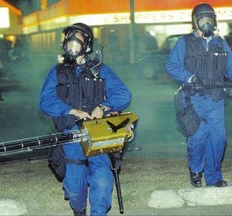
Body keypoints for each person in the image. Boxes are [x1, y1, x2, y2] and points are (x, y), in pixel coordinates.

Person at [39, 23, 132, 216]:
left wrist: (103, 107)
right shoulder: (57, 72)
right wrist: (70, 110)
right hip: (70, 134)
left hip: (97, 133)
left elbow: (123, 94)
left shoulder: (100, 70)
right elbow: (45, 101)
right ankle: (79, 210)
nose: (72, 48)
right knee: (75, 185)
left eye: (77, 43)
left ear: (87, 46)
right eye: (69, 43)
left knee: (102, 179)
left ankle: (98, 212)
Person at [166, 3, 232, 187]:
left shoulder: (220, 42)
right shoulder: (184, 42)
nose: (207, 23)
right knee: (198, 135)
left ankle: (213, 177)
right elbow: (172, 66)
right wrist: (190, 77)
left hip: (216, 98)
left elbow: (231, 67)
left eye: (210, 19)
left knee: (218, 138)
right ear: (196, 22)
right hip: (193, 98)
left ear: (214, 21)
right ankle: (195, 169)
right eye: (203, 20)